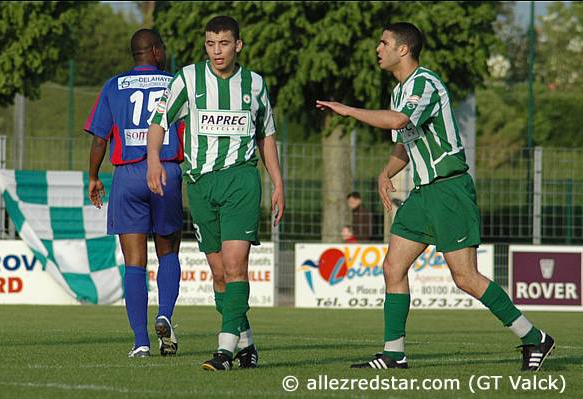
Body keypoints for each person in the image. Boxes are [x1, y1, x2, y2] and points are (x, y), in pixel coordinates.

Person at [317, 22, 553, 371]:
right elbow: (405, 141)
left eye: (383, 43)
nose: (377, 49)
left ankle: (534, 337)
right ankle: (394, 353)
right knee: (393, 267)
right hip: (423, 193)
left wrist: (349, 110)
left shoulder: (424, 84)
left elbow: (398, 121)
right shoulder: (399, 92)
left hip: (448, 190)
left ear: (403, 49)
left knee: (465, 278)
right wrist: (386, 172)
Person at [146, 16, 285, 371]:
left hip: (240, 179)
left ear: (237, 45)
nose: (217, 51)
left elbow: (266, 135)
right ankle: (247, 344)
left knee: (236, 266)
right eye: (211, 44)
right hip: (201, 184)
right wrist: (153, 163)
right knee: (220, 272)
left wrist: (278, 183)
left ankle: (224, 351)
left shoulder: (254, 84)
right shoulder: (188, 79)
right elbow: (159, 121)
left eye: (224, 43)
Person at [84, 29, 184, 358]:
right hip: (165, 170)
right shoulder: (175, 83)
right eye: (162, 49)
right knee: (168, 252)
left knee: (134, 264)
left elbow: (100, 139)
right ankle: (165, 315)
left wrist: (94, 176)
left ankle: (140, 341)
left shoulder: (114, 86)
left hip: (127, 176)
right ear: (155, 51)